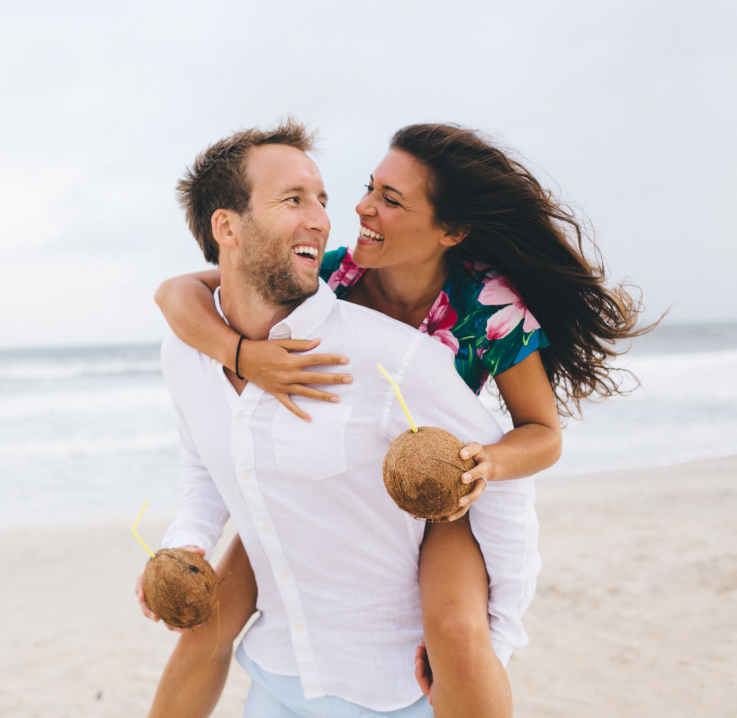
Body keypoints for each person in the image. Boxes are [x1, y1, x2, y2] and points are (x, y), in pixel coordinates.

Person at [146, 123, 652, 718]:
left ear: (450, 232)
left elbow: (542, 433)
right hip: (336, 477)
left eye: (391, 199)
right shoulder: (333, 276)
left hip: (442, 484)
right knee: (205, 630)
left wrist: (484, 466)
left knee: (458, 637)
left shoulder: (488, 307)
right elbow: (179, 292)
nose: (358, 208)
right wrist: (240, 355)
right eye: (368, 188)